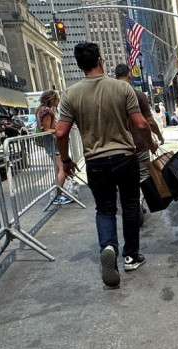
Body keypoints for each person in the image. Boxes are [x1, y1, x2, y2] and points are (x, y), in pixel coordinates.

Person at [55, 42, 151, 287]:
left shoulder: (70, 94)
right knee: (129, 205)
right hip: (124, 157)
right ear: (100, 60)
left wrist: (66, 160)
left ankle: (108, 246)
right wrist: (150, 143)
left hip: (95, 161)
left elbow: (61, 132)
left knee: (105, 209)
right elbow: (140, 125)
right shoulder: (121, 89)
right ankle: (131, 256)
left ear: (79, 65)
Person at [114, 63, 162, 186]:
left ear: (115, 78)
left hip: (119, 147)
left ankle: (134, 203)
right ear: (129, 75)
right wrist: (159, 137)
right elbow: (148, 122)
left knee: (126, 182)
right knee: (144, 178)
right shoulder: (139, 96)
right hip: (140, 144)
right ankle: (141, 203)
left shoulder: (110, 98)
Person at [35, 90, 71, 205]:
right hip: (52, 143)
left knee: (58, 169)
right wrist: (60, 131)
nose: (58, 100)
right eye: (57, 99)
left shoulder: (42, 110)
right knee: (63, 169)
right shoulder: (46, 111)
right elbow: (46, 130)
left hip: (51, 143)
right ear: (51, 100)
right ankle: (56, 196)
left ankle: (56, 194)